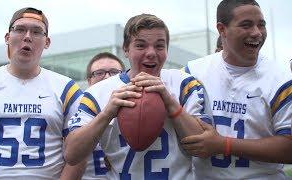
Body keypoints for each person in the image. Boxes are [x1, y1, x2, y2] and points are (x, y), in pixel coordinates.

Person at [64, 13, 212, 179]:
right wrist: (106, 114)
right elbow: (71, 154)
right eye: (141, 46)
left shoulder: (185, 84)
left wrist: (170, 103)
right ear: (126, 49)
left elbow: (205, 148)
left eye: (159, 46)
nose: (151, 53)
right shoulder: (97, 93)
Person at [182, 0, 292, 179]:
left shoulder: (281, 77)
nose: (257, 33)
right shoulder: (193, 72)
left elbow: (289, 147)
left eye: (261, 25)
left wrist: (224, 145)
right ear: (222, 29)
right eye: (246, 25)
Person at [0, 7, 84, 179]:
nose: (27, 36)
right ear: (7, 37)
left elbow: (78, 154)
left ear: (47, 42)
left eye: (37, 31)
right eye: (20, 29)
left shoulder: (66, 88)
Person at [81, 52, 125, 179]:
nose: (107, 77)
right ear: (89, 80)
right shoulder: (77, 111)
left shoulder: (136, 108)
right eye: (99, 73)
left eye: (114, 72)